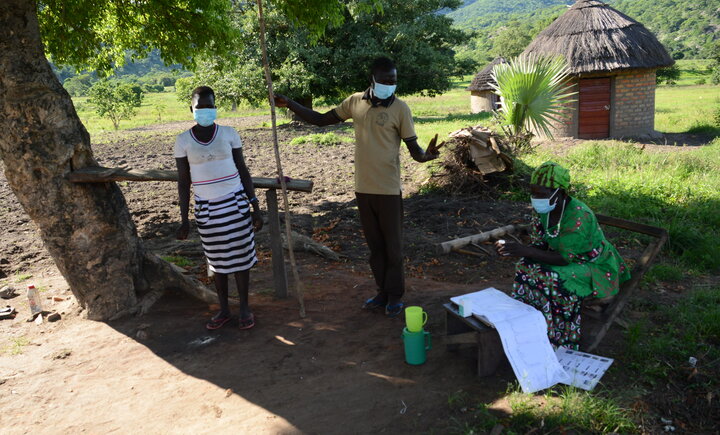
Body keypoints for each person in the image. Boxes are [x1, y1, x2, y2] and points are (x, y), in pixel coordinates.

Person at [274, 57, 443, 317]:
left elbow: (415, 151)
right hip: (363, 189)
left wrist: (428, 156)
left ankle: (396, 295)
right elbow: (320, 120)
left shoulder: (401, 109)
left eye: (393, 81)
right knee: (375, 248)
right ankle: (382, 292)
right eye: (385, 80)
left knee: (393, 248)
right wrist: (291, 104)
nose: (390, 85)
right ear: (372, 80)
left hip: (388, 189)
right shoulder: (355, 102)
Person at [495, 161, 630, 349]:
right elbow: (541, 243)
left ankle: (560, 336)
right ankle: (531, 323)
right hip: (564, 257)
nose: (535, 198)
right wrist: (518, 249)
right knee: (524, 266)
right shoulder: (544, 210)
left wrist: (527, 250)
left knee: (555, 278)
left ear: (561, 193)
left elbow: (564, 259)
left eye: (541, 194)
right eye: (533, 192)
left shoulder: (578, 216)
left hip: (593, 264)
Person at [175, 86, 263, 330]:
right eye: (200, 107)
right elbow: (183, 181)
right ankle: (224, 309)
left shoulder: (229, 134)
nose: (205, 110)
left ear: (215, 107)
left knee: (242, 257)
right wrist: (184, 219)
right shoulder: (182, 141)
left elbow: (243, 170)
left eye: (209, 106)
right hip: (207, 208)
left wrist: (254, 204)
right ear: (191, 109)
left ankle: (244, 307)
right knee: (217, 261)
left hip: (235, 203)